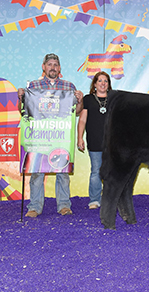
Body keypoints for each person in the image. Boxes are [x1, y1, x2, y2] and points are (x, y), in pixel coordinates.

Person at [18, 53, 84, 217]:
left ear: (59, 68)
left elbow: (77, 112)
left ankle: (63, 205)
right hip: (40, 136)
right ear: (44, 67)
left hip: (60, 137)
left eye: (55, 65)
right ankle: (34, 207)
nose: (52, 67)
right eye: (49, 64)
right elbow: (24, 111)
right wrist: (21, 97)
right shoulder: (33, 86)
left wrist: (80, 99)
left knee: (62, 173)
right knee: (37, 172)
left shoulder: (69, 87)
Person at [77, 71, 112, 209]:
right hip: (95, 141)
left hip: (112, 143)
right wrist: (80, 137)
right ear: (95, 84)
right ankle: (94, 200)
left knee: (111, 172)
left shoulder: (114, 99)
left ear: (108, 85)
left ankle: (110, 199)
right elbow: (82, 120)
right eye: (100, 81)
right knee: (96, 171)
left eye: (105, 81)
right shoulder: (88, 99)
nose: (103, 83)